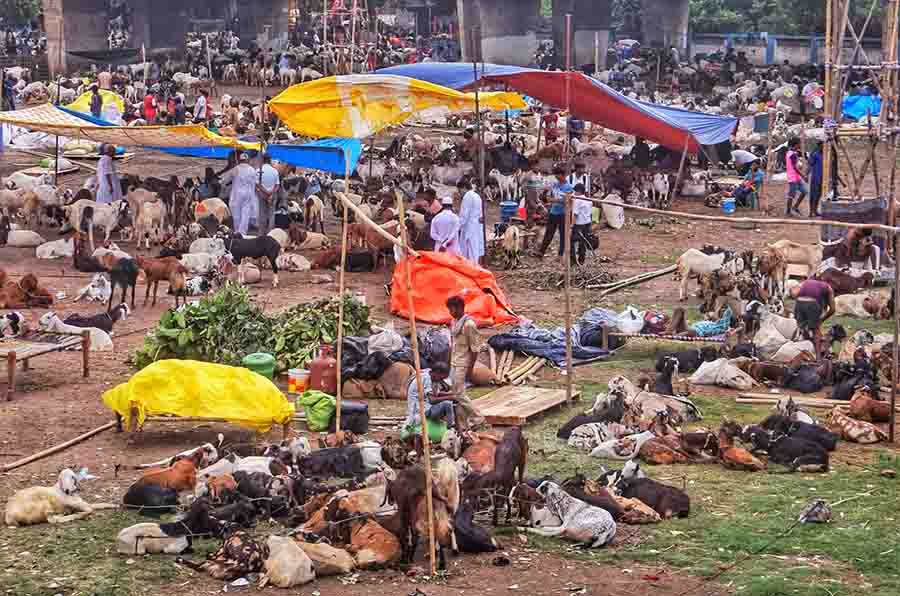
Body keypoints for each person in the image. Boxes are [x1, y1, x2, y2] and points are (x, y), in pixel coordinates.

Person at [446, 295, 486, 429]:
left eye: (451, 309)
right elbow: (453, 344)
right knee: (455, 393)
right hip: (454, 362)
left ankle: (478, 417)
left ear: (459, 308)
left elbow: (475, 349)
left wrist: (470, 367)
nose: (450, 312)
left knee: (459, 394)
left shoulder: (469, 325)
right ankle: (463, 422)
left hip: (463, 363)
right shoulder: (454, 322)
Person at [404, 363, 456, 430]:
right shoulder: (426, 379)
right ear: (437, 373)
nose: (441, 380)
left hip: (425, 407)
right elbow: (432, 400)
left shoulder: (431, 376)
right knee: (447, 404)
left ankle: (449, 425)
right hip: (419, 411)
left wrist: (452, 394)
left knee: (451, 402)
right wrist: (450, 397)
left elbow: (436, 394)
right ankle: (450, 428)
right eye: (441, 378)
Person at [790, 279, 835, 358]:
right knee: (816, 331)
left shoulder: (807, 282)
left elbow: (794, 293)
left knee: (802, 328)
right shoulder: (829, 289)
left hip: (799, 301)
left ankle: (798, 349)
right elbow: (832, 309)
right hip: (811, 302)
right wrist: (821, 320)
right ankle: (818, 357)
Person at [221, 153, 259, 234]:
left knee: (236, 213)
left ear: (239, 160)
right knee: (246, 213)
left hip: (237, 194)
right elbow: (256, 182)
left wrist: (223, 185)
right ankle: (243, 232)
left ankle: (237, 230)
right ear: (247, 160)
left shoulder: (235, 169)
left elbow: (225, 180)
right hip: (248, 194)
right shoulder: (252, 170)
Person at [538, 167, 572, 259]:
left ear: (564, 175)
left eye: (558, 175)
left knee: (563, 235)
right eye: (555, 175)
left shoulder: (568, 187)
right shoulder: (555, 184)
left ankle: (560, 255)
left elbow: (566, 201)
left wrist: (553, 200)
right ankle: (541, 252)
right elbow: (548, 196)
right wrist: (548, 196)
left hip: (563, 214)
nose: (556, 177)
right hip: (553, 212)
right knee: (549, 233)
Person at [456, 178, 485, 265]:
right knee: (474, 249)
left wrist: (456, 227)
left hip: (469, 227)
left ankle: (471, 269)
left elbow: (464, 216)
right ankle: (475, 267)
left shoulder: (467, 196)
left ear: (464, 188)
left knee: (469, 250)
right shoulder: (476, 196)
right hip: (476, 226)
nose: (460, 193)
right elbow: (480, 214)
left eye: (460, 190)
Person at [521, 161, 546, 248]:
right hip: (530, 203)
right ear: (532, 166)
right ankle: (525, 244)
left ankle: (534, 242)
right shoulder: (528, 176)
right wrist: (531, 202)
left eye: (539, 166)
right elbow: (525, 190)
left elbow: (539, 189)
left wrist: (539, 201)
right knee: (528, 224)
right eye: (536, 166)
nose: (538, 168)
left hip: (537, 201)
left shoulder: (538, 175)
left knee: (538, 222)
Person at [255, 154, 280, 235]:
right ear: (269, 160)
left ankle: (261, 233)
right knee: (272, 214)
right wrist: (271, 193)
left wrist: (265, 192)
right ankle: (270, 233)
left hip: (262, 195)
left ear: (262, 160)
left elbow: (257, 184)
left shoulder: (258, 170)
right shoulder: (275, 171)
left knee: (262, 214)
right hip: (272, 196)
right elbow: (277, 185)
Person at [570, 183, 593, 265]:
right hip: (587, 223)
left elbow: (575, 214)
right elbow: (590, 213)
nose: (574, 193)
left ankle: (573, 260)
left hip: (579, 224)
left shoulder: (577, 200)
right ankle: (581, 259)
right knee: (583, 242)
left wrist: (571, 226)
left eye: (575, 191)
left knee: (571, 240)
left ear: (579, 191)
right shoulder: (589, 200)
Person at [785, 138, 807, 216]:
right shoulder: (792, 154)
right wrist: (803, 176)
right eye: (799, 144)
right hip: (793, 177)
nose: (800, 145)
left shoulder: (790, 153)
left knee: (804, 191)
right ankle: (788, 211)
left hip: (796, 177)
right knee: (791, 195)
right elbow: (795, 167)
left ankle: (795, 207)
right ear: (796, 144)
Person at [808, 143, 823, 217]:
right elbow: (810, 164)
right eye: (822, 146)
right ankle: (811, 212)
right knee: (813, 194)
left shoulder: (825, 155)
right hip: (815, 178)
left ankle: (815, 210)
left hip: (822, 178)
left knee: (818, 195)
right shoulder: (815, 154)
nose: (823, 147)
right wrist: (806, 175)